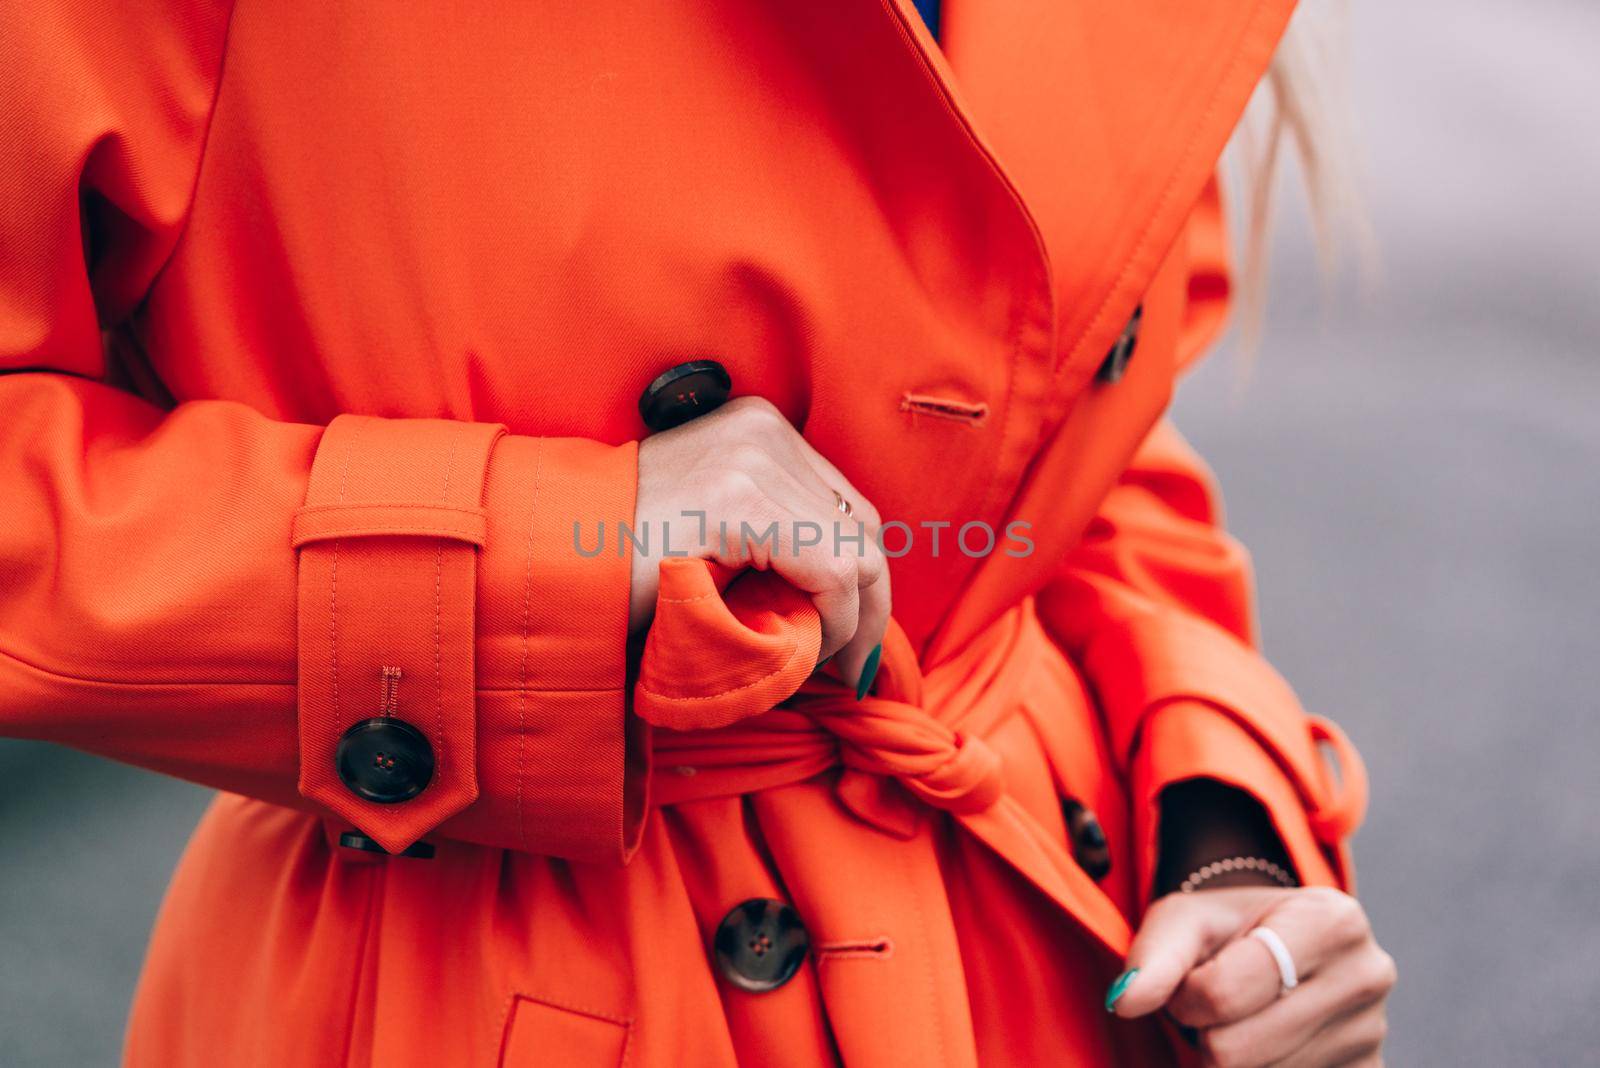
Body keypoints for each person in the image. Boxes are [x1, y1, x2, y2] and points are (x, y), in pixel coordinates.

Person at [0, 0, 1394, 1064]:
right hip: (471, 976)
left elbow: (1046, 431)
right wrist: (553, 561)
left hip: (1045, 954)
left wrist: (1220, 822)